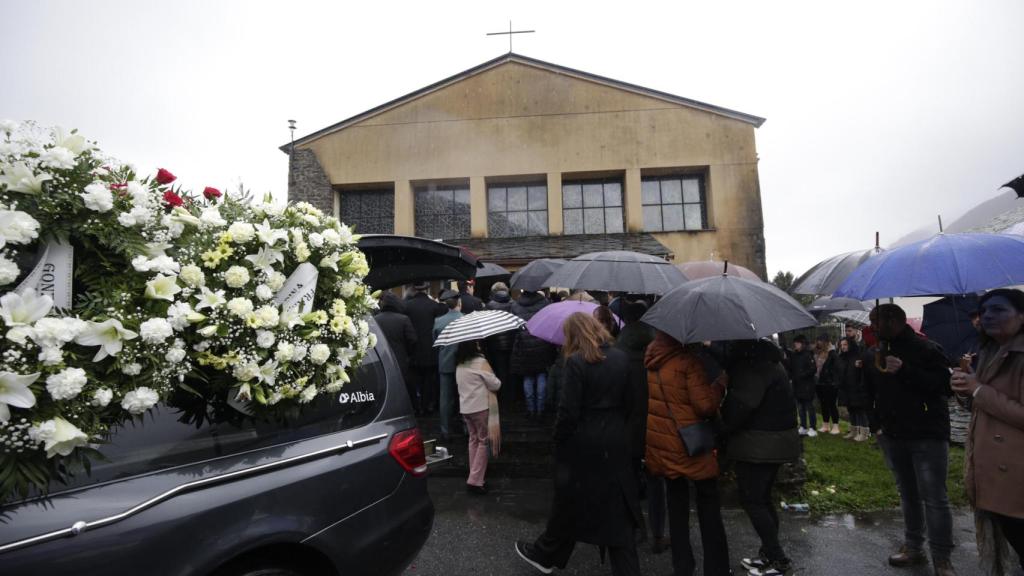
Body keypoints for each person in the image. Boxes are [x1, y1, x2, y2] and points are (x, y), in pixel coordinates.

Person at [515, 313, 641, 576]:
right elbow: (632, 402)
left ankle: (547, 553)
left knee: (571, 501)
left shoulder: (576, 362)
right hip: (616, 440)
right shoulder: (621, 358)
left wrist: (559, 440)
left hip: (584, 442)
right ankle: (549, 553)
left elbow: (568, 410)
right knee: (614, 508)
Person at [867, 304, 958, 576]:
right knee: (908, 494)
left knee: (934, 497)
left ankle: (942, 557)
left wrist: (905, 370)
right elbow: (871, 391)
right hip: (893, 434)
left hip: (926, 434)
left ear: (893, 320)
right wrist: (877, 426)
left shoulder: (926, 349)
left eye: (876, 321)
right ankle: (913, 547)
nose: (872, 326)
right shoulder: (876, 352)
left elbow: (944, 387)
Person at [645, 330, 731, 576]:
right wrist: (719, 385)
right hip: (690, 446)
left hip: (663, 444)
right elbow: (704, 406)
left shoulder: (651, 359)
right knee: (708, 505)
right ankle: (716, 568)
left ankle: (682, 567)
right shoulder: (688, 362)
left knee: (677, 508)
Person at [951, 289, 1024, 575]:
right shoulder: (989, 352)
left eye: (998, 309)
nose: (988, 316)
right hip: (992, 468)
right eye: (984, 311)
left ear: (1021, 315)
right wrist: (963, 388)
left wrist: (978, 389)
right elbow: (980, 407)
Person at [722, 339, 800, 576]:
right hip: (776, 442)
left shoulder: (753, 369)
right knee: (763, 500)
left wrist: (719, 426)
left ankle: (778, 560)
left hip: (759, 444)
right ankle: (768, 554)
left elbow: (740, 407)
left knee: (753, 500)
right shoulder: (770, 363)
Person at [613, 300, 655, 546]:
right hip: (656, 423)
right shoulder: (656, 350)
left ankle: (635, 524)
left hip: (628, 425)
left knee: (627, 473)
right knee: (656, 478)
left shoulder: (619, 356)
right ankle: (657, 529)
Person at [455, 339, 501, 495]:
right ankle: (475, 481)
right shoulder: (481, 362)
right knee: (483, 441)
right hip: (480, 407)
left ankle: (474, 474)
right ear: (472, 346)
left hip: (466, 408)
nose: (479, 345)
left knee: (473, 439)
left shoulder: (460, 363)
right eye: (476, 343)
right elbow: (495, 384)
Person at [404, 281, 448, 414]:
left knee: (415, 380)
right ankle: (428, 405)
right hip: (430, 349)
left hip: (413, 349)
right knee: (429, 381)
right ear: (427, 290)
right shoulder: (434, 306)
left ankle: (417, 407)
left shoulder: (407, 306)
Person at [511, 289, 556, 417]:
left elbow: (514, 327)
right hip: (542, 344)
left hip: (524, 346)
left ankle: (530, 409)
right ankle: (540, 410)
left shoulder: (515, 305)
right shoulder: (544, 303)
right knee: (541, 375)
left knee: (528, 377)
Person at [374, 292, 418, 401]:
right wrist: (408, 354)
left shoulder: (375, 320)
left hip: (381, 360)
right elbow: (413, 340)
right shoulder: (403, 319)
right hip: (401, 360)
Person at [433, 290, 463, 440]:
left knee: (445, 398)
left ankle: (445, 429)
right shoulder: (464, 319)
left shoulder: (438, 321)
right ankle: (465, 426)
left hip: (445, 362)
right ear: (459, 303)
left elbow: (435, 341)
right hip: (463, 363)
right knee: (464, 396)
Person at [484, 281, 516, 406]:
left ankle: (502, 398)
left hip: (495, 343)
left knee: (500, 370)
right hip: (512, 342)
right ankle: (512, 398)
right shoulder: (513, 304)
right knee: (511, 370)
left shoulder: (490, 305)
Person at [835, 337, 871, 441]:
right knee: (851, 410)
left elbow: (864, 372)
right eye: (841, 345)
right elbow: (839, 371)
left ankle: (864, 432)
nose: (843, 347)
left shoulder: (858, 356)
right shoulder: (841, 357)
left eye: (845, 345)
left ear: (850, 345)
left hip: (857, 388)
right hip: (846, 388)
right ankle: (853, 431)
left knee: (860, 410)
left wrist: (860, 367)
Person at [786, 335, 817, 437]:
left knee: (809, 407)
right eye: (795, 342)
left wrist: (802, 375)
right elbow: (790, 368)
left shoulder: (808, 355)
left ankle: (812, 427)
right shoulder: (793, 355)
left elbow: (813, 369)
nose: (795, 344)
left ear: (803, 344)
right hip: (797, 386)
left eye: (798, 343)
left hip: (807, 386)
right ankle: (803, 426)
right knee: (800, 408)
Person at [814, 334, 840, 435]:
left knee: (832, 404)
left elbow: (836, 367)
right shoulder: (818, 352)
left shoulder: (832, 353)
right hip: (820, 382)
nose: (818, 343)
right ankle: (825, 425)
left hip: (830, 383)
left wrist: (833, 381)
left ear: (825, 341)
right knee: (823, 404)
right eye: (817, 341)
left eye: (819, 341)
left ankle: (836, 425)